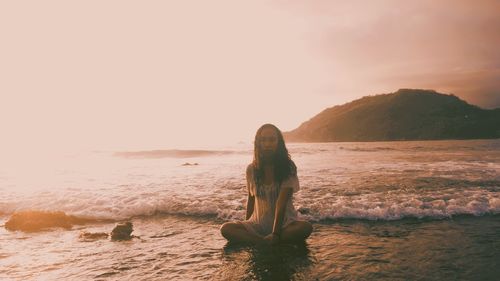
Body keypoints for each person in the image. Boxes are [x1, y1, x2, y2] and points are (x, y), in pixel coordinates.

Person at [220, 124, 313, 245]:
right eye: (263, 140)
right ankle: (265, 242)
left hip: (285, 224)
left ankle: (267, 240)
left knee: (305, 227)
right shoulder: (251, 169)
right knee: (226, 229)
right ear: (258, 143)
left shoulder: (288, 167)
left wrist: (275, 233)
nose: (267, 144)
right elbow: (251, 199)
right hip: (258, 224)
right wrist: (247, 224)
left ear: (278, 142)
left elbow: (281, 202)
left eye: (272, 140)